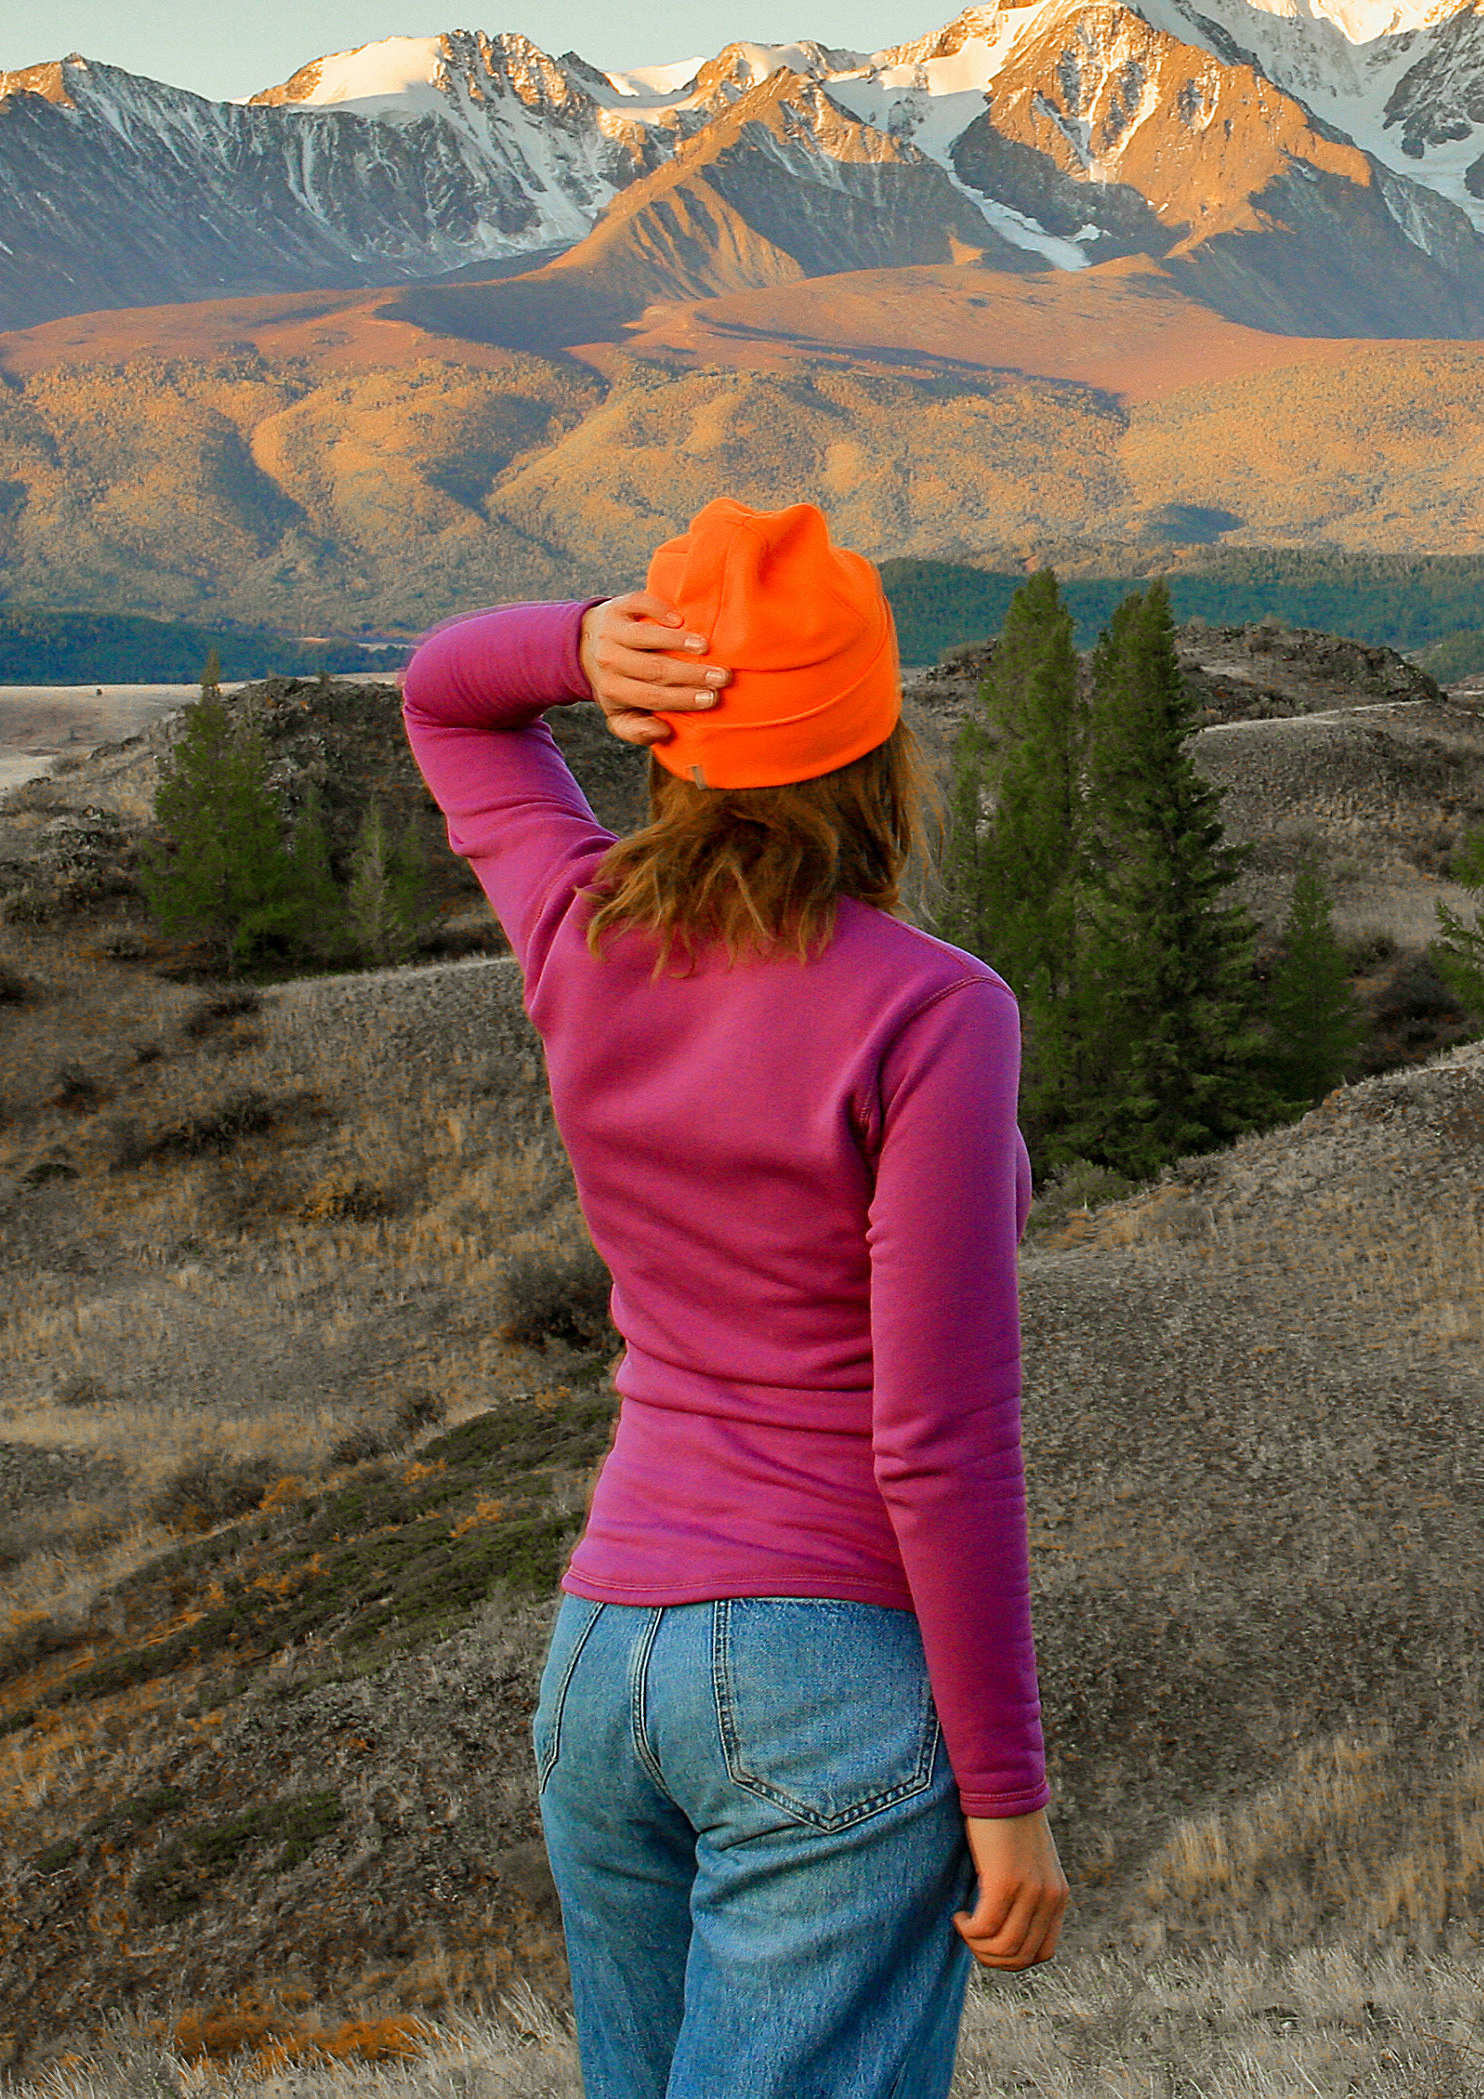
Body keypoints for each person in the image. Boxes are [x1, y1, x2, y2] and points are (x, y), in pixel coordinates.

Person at [402, 497, 1065, 2099]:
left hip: (602, 1662)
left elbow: (441, 696)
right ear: (873, 749)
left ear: (675, 735)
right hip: (819, 1685)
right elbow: (936, 1438)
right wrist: (1008, 1792)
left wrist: (574, 649)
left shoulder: (581, 931)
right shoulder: (934, 1013)